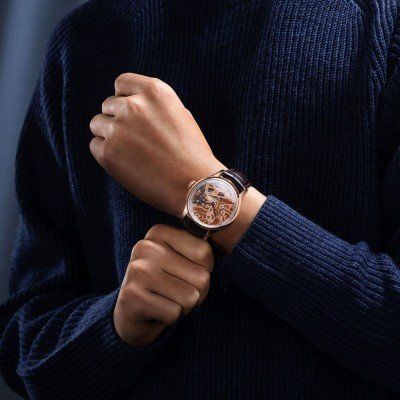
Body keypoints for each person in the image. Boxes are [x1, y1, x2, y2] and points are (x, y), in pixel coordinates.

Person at [1, 0, 400, 398]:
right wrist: (114, 326)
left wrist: (208, 194)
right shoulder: (85, 40)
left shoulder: (387, 26)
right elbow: (26, 347)